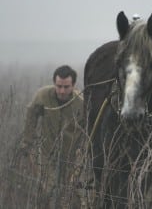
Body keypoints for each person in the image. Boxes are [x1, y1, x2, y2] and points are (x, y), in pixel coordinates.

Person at [19, 65, 95, 208]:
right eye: (59, 86)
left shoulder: (81, 103)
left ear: (73, 85)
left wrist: (83, 152)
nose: (62, 91)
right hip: (48, 155)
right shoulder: (43, 96)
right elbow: (31, 114)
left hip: (72, 158)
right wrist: (27, 142)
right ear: (54, 83)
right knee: (47, 192)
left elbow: (88, 131)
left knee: (73, 195)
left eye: (66, 87)